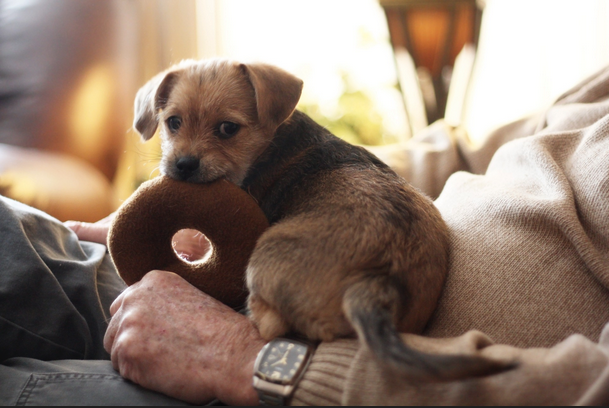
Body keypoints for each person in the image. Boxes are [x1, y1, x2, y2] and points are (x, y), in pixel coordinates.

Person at [2, 64, 609, 406]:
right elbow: (456, 150)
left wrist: (256, 361)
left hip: (301, 370)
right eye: (175, 126)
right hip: (273, 266)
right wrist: (183, 205)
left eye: (225, 130)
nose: (189, 149)